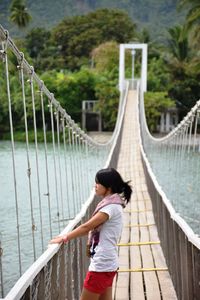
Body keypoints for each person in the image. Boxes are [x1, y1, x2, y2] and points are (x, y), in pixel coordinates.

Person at [50, 167, 132, 300]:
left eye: (98, 183)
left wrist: (64, 237)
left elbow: (86, 227)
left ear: (108, 187)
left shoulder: (110, 207)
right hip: (109, 263)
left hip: (101, 265)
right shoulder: (114, 204)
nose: (95, 185)